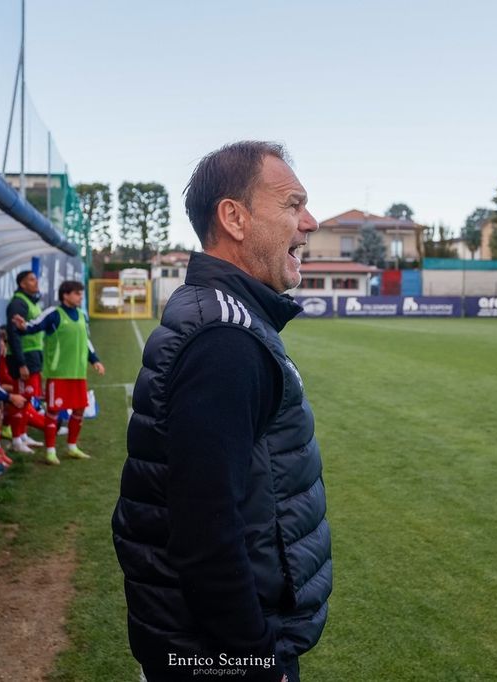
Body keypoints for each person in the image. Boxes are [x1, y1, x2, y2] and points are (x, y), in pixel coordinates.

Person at [111, 142, 332, 682]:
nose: (310, 222)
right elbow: (205, 534)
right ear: (234, 217)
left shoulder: (220, 317)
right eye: (293, 204)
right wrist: (255, 659)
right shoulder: (225, 340)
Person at [12, 281, 104, 465]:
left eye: (81, 293)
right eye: (77, 293)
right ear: (65, 295)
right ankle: (50, 451)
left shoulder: (81, 315)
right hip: (59, 373)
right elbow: (34, 326)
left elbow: (86, 340)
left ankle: (72, 446)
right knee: (53, 411)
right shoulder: (54, 313)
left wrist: (95, 360)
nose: (80, 297)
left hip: (78, 373)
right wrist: (23, 327)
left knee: (79, 409)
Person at [4, 270, 46, 453]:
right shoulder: (18, 303)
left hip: (33, 355)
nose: (35, 282)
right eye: (31, 279)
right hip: (23, 358)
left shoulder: (31, 302)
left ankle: (22, 435)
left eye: (36, 279)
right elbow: (13, 333)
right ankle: (15, 439)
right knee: (20, 398)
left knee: (28, 398)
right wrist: (21, 363)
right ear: (22, 284)